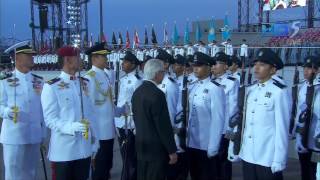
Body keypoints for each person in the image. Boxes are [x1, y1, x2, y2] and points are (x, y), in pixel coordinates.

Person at [41, 46, 99, 180]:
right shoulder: (52, 86)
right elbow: (50, 119)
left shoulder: (85, 83)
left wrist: (95, 140)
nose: (81, 60)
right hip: (64, 151)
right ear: (67, 60)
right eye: (78, 57)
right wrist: (71, 127)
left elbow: (91, 114)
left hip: (84, 149)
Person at [239, 48, 291, 180]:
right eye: (255, 64)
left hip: (267, 157)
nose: (256, 68)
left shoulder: (279, 92)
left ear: (273, 70)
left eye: (262, 65)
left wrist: (279, 159)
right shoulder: (251, 90)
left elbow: (282, 129)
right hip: (248, 154)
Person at [0, 42, 46, 180]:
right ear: (18, 58)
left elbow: (41, 108)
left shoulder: (38, 81)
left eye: (32, 55)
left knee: (30, 173)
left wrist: (43, 133)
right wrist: (7, 111)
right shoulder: (4, 80)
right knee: (13, 173)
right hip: (14, 135)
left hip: (34, 134)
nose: (32, 58)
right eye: (28, 55)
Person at [84, 43, 128, 180]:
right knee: (99, 169)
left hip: (108, 130)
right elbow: (87, 107)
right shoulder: (89, 78)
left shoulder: (105, 75)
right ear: (95, 58)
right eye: (103, 56)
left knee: (107, 166)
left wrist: (120, 110)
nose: (106, 59)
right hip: (98, 132)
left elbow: (107, 103)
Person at [131, 59, 178, 180]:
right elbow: (163, 126)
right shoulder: (157, 94)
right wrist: (172, 150)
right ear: (157, 73)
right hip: (156, 150)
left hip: (141, 146)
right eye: (163, 72)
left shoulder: (137, 92)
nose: (164, 75)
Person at [187, 52, 226, 180]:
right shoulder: (193, 86)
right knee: (195, 175)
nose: (195, 68)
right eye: (194, 65)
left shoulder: (215, 88)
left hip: (206, 144)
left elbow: (218, 119)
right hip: (192, 142)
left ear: (209, 68)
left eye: (199, 66)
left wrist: (213, 146)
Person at [211, 52, 239, 180]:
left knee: (223, 161)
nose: (214, 66)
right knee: (212, 160)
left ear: (225, 66)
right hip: (212, 128)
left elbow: (234, 108)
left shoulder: (232, 82)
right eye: (213, 63)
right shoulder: (212, 81)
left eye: (217, 63)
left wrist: (231, 129)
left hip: (224, 129)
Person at [114, 50, 142, 180]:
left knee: (130, 158)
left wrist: (136, 125)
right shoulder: (123, 79)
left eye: (125, 62)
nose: (123, 64)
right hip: (120, 122)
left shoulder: (137, 81)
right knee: (125, 156)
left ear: (133, 64)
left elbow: (137, 105)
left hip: (130, 125)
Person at [295, 56, 319, 180]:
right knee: (304, 170)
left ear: (317, 70)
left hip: (317, 140)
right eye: (304, 67)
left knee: (315, 172)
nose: (305, 71)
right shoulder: (302, 86)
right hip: (303, 137)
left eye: (309, 68)